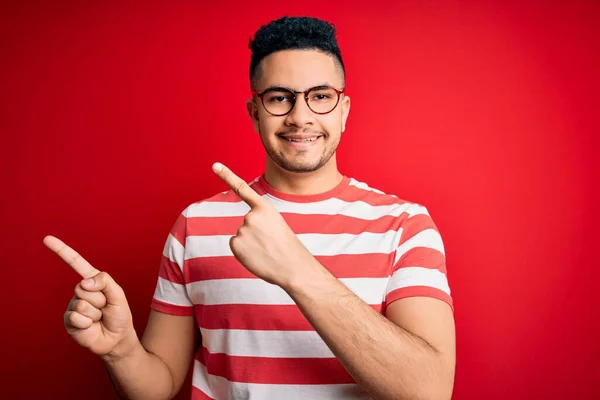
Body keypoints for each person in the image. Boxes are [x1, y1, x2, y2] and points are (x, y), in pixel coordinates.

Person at [44, 16, 455, 400]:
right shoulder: (196, 225)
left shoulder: (404, 225)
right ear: (254, 111)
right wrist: (120, 350)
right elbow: (160, 382)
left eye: (321, 97)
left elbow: (429, 389)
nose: (300, 117)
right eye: (280, 98)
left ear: (344, 111)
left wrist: (298, 270)